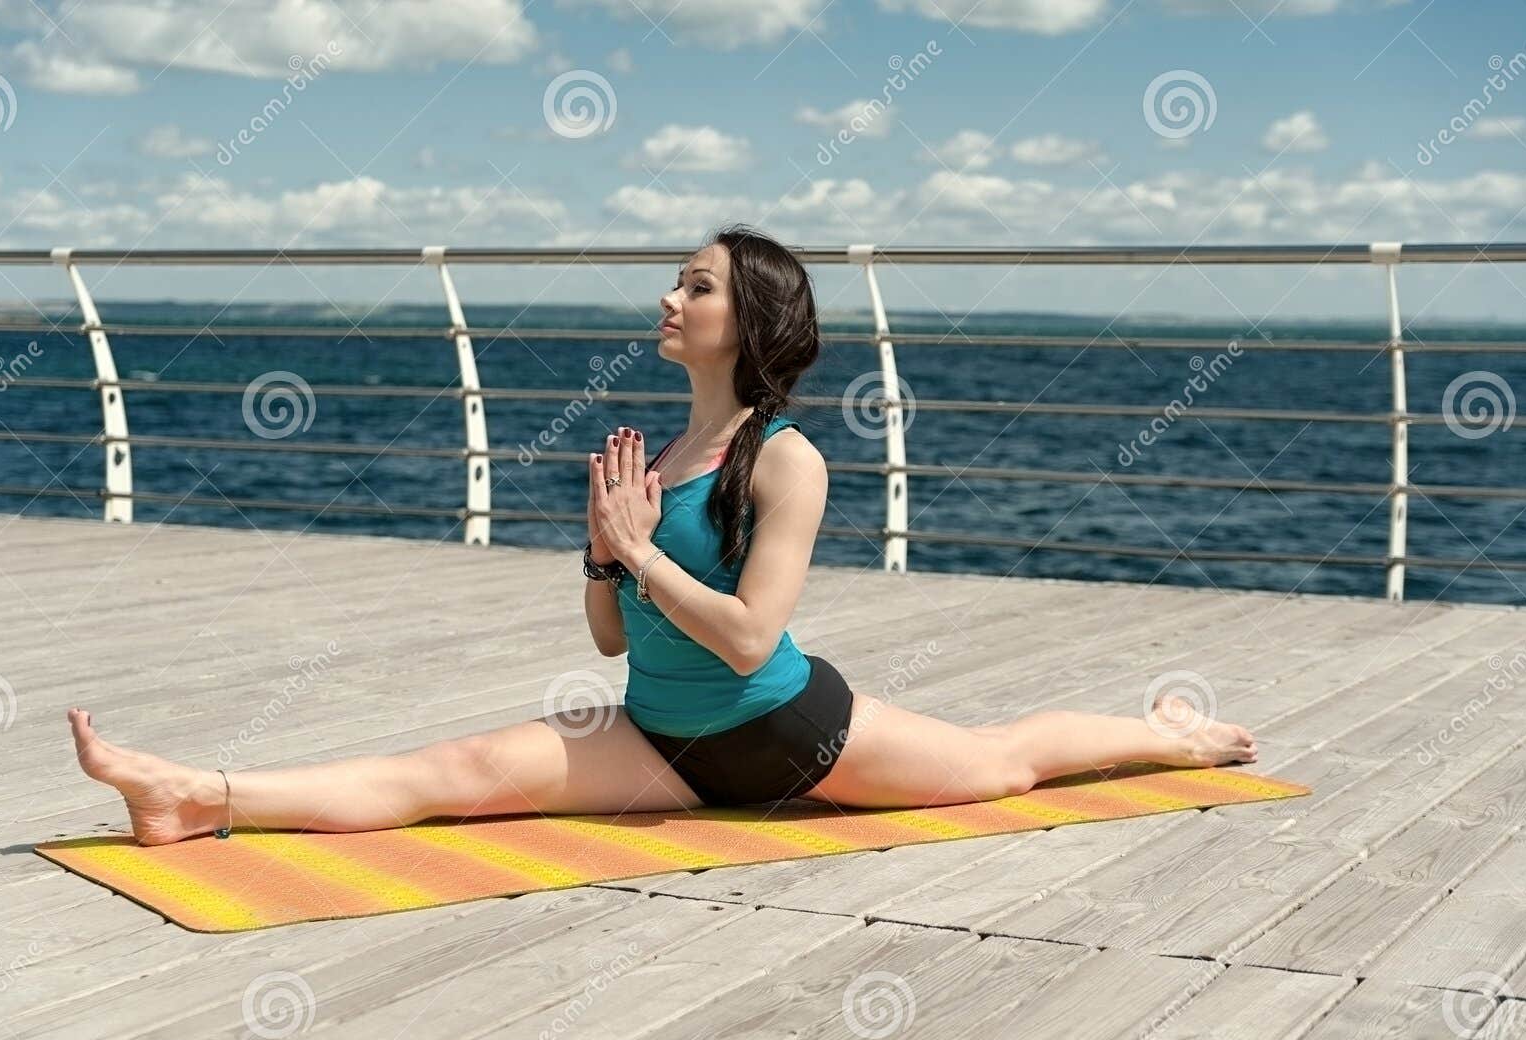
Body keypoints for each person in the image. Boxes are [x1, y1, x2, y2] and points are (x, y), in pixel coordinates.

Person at [66, 224, 1256, 847]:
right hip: (657, 735)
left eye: (694, 286)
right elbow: (604, 638)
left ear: (750, 320)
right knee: (453, 774)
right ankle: (193, 793)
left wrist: (641, 552)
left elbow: (749, 641)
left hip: (793, 730)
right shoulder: (660, 457)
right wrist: (601, 553)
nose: (668, 298)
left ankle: (1171, 735)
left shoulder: (786, 458)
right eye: (674, 281)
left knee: (1003, 760)